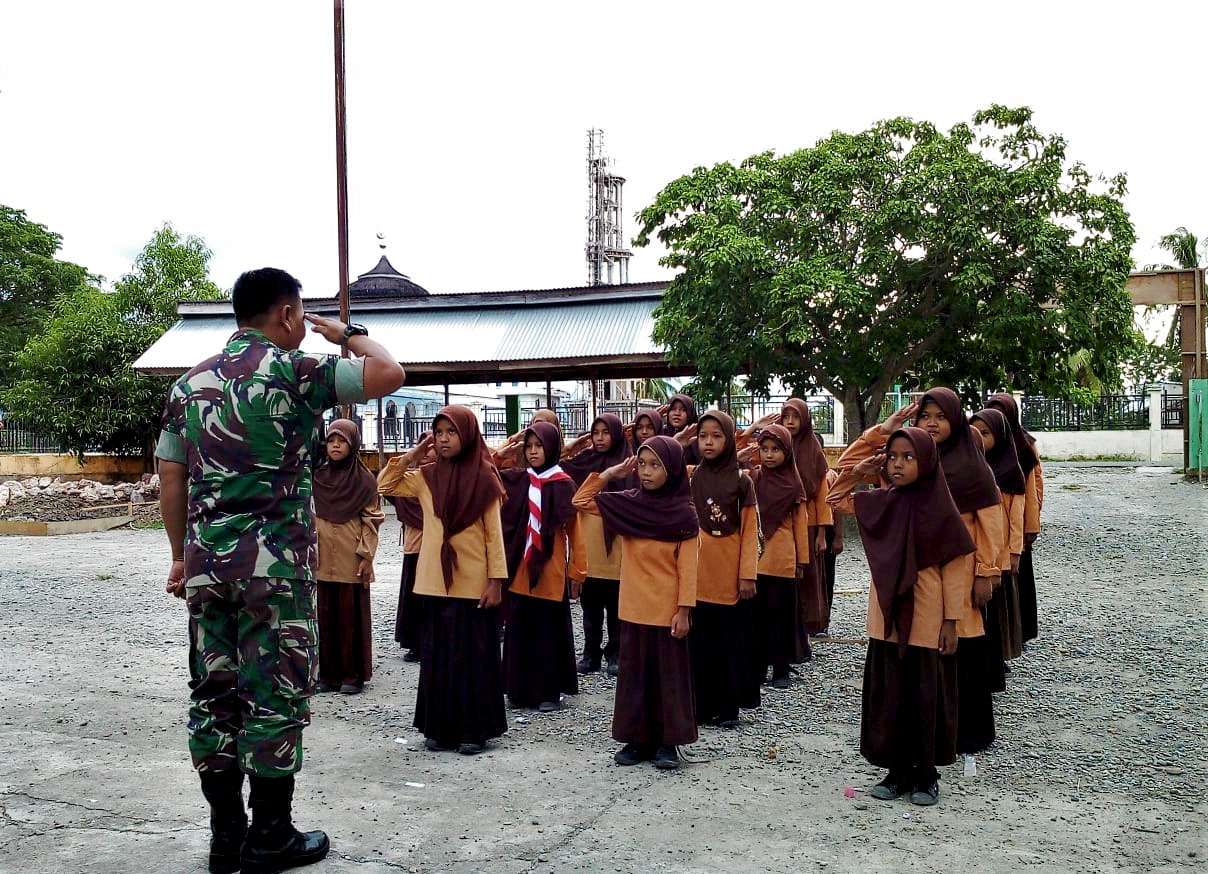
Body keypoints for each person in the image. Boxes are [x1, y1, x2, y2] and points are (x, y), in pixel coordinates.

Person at [157, 267, 405, 873]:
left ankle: (225, 839)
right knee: (276, 693)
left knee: (213, 693)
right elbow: (390, 372)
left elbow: (171, 473)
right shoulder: (296, 372)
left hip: (209, 563)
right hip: (276, 566)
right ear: (289, 314)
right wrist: (345, 333)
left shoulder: (191, 384)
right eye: (300, 316)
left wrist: (177, 553)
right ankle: (270, 837)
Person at [828, 416, 975, 807]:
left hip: (927, 617)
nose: (897, 464)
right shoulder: (881, 502)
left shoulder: (942, 510)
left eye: (908, 457)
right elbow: (834, 499)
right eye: (892, 457)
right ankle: (895, 772)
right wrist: (858, 470)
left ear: (926, 461)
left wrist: (950, 622)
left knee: (924, 694)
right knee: (891, 692)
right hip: (887, 617)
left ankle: (926, 775)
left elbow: (955, 569)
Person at [377, 407, 509, 755]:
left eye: (451, 432)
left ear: (467, 435)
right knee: (437, 657)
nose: (444, 439)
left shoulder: (484, 477)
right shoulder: (426, 476)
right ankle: (438, 729)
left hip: (473, 583)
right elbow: (384, 484)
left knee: (471, 657)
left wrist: (496, 580)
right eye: (439, 432)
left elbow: (494, 535)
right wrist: (415, 453)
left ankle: (472, 731)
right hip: (435, 581)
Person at [572, 436, 699, 770]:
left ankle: (668, 744)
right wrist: (612, 472)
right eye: (642, 464)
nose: (646, 472)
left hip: (667, 612)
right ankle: (637, 740)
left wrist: (684, 609)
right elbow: (581, 500)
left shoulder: (684, 513)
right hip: (631, 609)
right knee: (635, 679)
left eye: (655, 465)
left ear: (672, 469)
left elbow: (688, 568)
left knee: (667, 680)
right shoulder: (628, 503)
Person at [913, 389, 1004, 759]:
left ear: (956, 421)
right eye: (925, 416)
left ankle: (970, 733)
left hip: (964, 573)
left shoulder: (972, 469)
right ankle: (931, 730)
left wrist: (986, 571)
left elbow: (991, 526)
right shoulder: (916, 463)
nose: (932, 423)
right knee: (929, 646)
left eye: (941, 416)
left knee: (963, 644)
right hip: (925, 575)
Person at [498, 421, 584, 711]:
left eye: (540, 446)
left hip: (550, 570)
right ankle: (517, 689)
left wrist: (577, 572)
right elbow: (488, 466)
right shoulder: (519, 480)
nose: (534, 452)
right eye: (529, 446)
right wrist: (510, 444)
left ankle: (548, 691)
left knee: (547, 631)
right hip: (522, 568)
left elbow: (575, 531)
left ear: (552, 448)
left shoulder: (563, 484)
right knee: (520, 628)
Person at [688, 410, 761, 727]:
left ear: (730, 439)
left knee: (729, 645)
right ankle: (701, 707)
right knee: (700, 645)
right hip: (699, 575)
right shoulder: (692, 477)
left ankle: (729, 708)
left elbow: (749, 532)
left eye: (717, 436)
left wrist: (747, 574)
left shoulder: (742, 481)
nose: (709, 442)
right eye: (703, 435)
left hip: (729, 577)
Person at [314, 419, 384, 695]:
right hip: (320, 559)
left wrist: (366, 556)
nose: (335, 445)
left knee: (349, 618)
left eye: (341, 441)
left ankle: (352, 675)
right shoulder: (317, 477)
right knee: (324, 616)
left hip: (350, 558)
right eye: (331, 440)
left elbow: (372, 519)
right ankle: (327, 675)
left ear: (352, 444)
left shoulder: (364, 480)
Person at [561, 414, 631, 675]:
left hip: (619, 548)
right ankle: (590, 653)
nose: (600, 438)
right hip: (590, 545)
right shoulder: (583, 463)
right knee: (590, 609)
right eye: (596, 432)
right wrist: (573, 447)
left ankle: (615, 653)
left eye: (606, 432)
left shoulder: (628, 463)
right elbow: (555, 465)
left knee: (616, 609)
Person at [746, 424, 809, 689]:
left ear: (788, 452)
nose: (769, 455)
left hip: (783, 559)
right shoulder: (754, 479)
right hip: (757, 558)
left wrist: (802, 561)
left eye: (776, 449)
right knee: (757, 617)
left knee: (782, 617)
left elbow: (800, 525)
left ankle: (781, 669)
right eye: (764, 449)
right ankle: (758, 668)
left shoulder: (794, 484)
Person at [970, 408, 1027, 685]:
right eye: (974, 433)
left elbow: (1017, 516)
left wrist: (1015, 551)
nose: (979, 439)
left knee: (999, 613)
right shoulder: (970, 468)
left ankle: (999, 659)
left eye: (985, 433)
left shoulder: (1010, 471)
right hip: (976, 556)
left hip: (1001, 555)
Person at [986, 393, 1044, 644]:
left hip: (1015, 529)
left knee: (1016, 586)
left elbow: (1032, 490)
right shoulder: (981, 444)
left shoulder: (1024, 446)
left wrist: (1030, 527)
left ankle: (1019, 634)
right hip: (989, 533)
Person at [391, 494, 426, 663]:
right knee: (413, 599)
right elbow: (386, 487)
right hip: (414, 548)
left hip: (437, 547)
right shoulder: (410, 484)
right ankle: (414, 643)